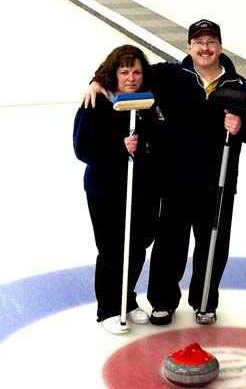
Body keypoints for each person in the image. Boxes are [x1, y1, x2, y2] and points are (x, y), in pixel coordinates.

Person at [85, 19, 246, 326]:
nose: (205, 48)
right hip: (174, 182)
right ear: (189, 47)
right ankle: (163, 301)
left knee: (213, 246)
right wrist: (96, 81)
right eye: (199, 42)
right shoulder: (170, 75)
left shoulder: (237, 85)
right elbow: (129, 69)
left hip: (218, 184)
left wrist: (242, 127)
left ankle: (205, 302)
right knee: (170, 244)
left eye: (211, 42)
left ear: (220, 47)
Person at [74, 45, 163, 334]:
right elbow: (82, 147)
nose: (131, 78)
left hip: (142, 187)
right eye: (124, 71)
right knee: (112, 249)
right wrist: (118, 148)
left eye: (136, 72)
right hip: (106, 189)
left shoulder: (148, 100)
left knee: (137, 245)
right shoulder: (96, 102)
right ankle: (108, 309)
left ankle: (127, 299)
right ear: (113, 73)